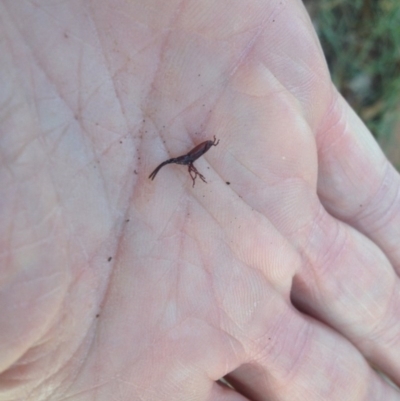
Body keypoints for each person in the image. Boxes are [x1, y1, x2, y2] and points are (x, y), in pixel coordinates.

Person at [1, 0, 399, 399]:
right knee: (173, 163)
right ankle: (166, 169)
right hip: (183, 158)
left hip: (186, 158)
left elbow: (201, 148)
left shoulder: (203, 148)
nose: (208, 144)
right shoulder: (197, 150)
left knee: (176, 163)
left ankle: (168, 169)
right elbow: (195, 151)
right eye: (208, 143)